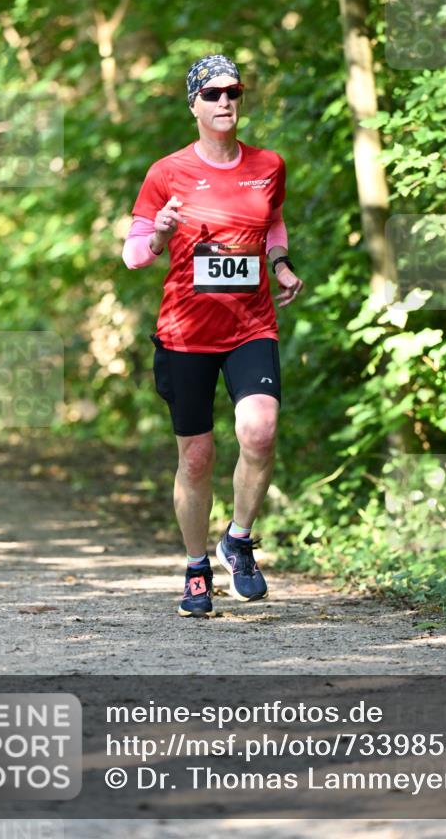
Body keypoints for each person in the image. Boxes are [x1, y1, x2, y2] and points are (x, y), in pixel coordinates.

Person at [122, 54, 303, 617]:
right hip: (185, 333)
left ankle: (239, 540)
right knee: (196, 459)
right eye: (213, 94)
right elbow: (133, 256)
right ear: (194, 104)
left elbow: (270, 219)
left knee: (261, 431)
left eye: (234, 92)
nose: (226, 101)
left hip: (251, 325)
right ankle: (196, 566)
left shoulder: (268, 164)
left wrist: (279, 263)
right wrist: (161, 235)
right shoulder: (166, 173)